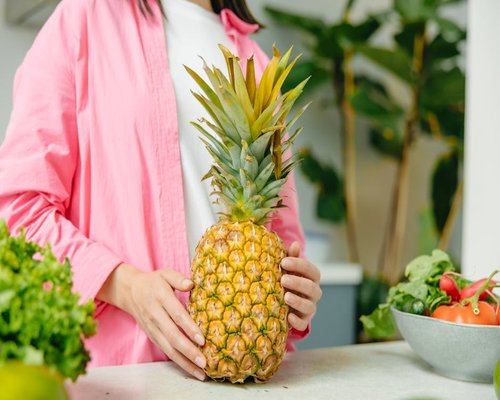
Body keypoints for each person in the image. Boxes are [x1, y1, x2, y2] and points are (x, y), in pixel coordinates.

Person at [0, 0, 322, 382]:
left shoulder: (257, 63)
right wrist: (124, 285)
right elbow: (18, 210)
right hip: (121, 377)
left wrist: (296, 295)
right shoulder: (84, 17)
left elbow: (283, 235)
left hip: (248, 375)